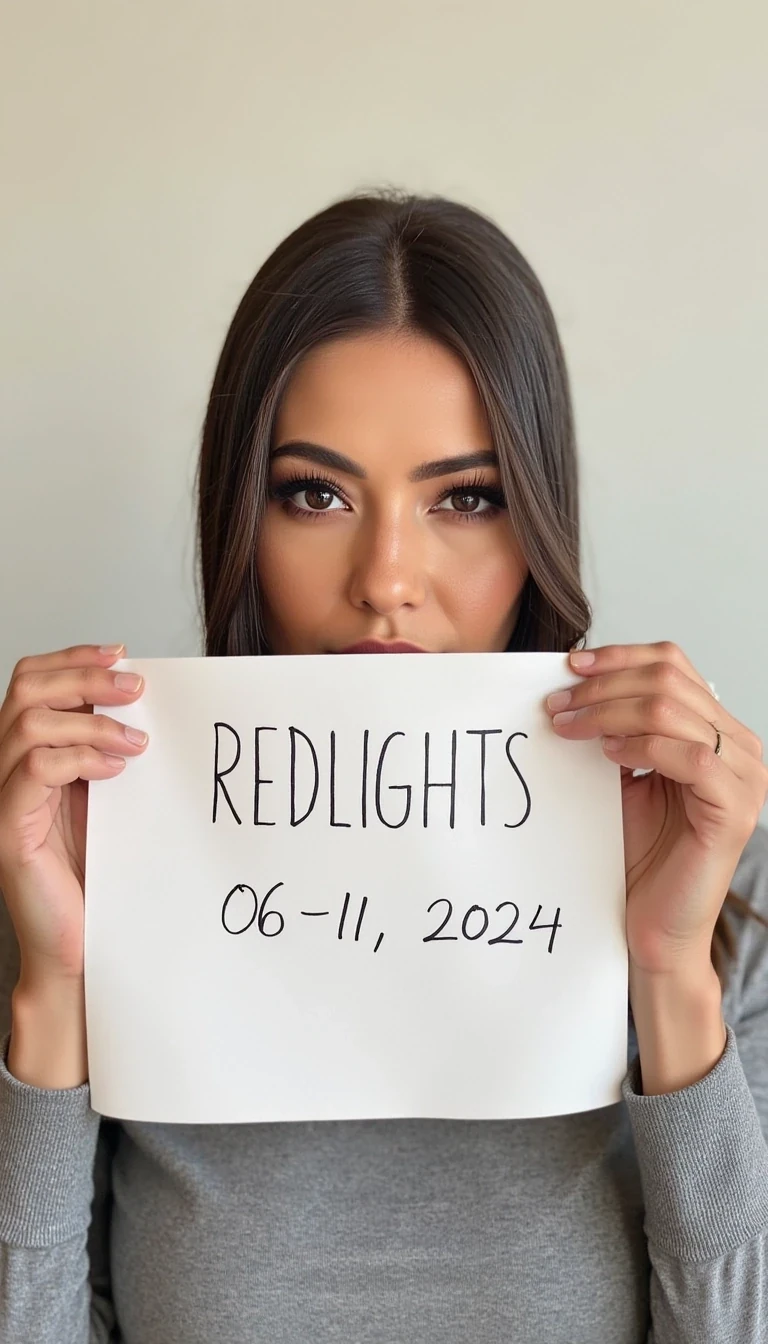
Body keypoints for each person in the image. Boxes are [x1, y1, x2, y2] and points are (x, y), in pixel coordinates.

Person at [0, 188, 767, 1344]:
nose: (387, 579)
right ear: (239, 516)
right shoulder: (84, 869)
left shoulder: (714, 890)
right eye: (316, 493)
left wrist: (669, 973)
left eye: (466, 498)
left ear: (539, 519)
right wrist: (54, 983)